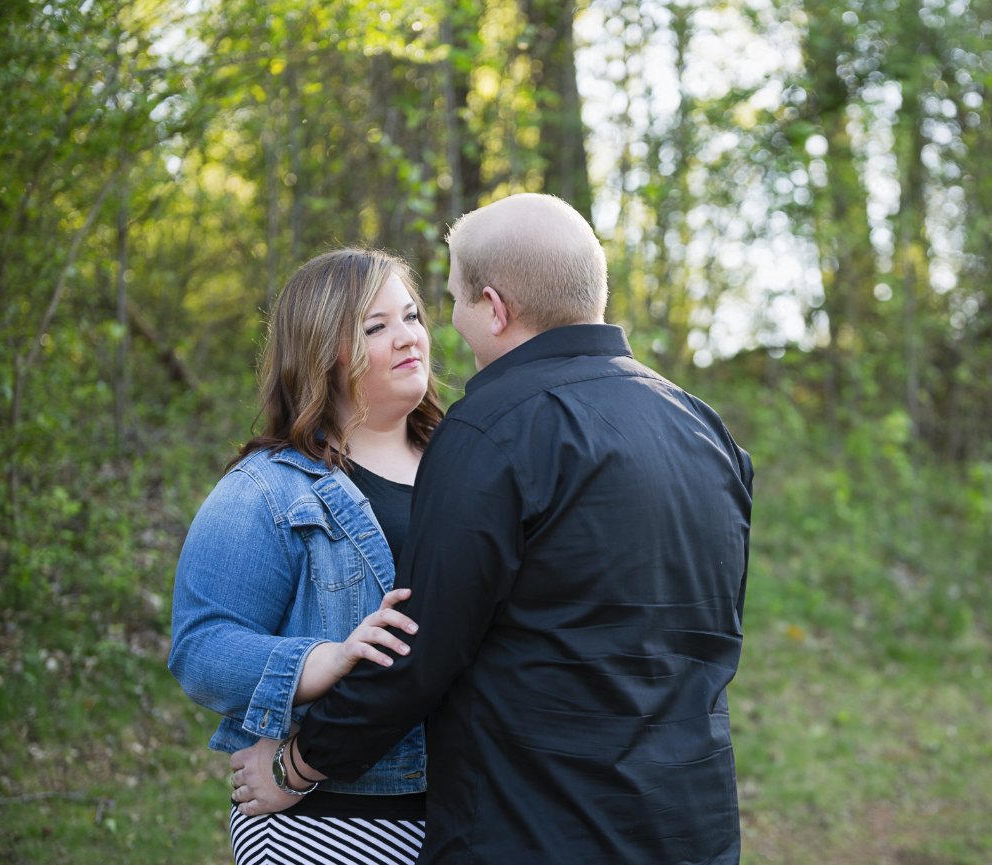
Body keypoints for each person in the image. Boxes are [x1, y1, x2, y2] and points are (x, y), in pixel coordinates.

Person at [229, 193, 755, 864]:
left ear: (494, 306)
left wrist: (297, 764)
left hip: (535, 827)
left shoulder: (490, 430)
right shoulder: (703, 428)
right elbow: (715, 634)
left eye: (450, 301)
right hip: (692, 827)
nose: (443, 324)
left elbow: (419, 651)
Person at [169, 248, 445, 865]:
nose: (409, 339)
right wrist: (325, 659)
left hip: (466, 809)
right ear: (322, 351)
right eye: (376, 328)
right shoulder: (266, 489)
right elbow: (200, 648)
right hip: (323, 818)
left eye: (412, 317)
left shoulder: (466, 463)